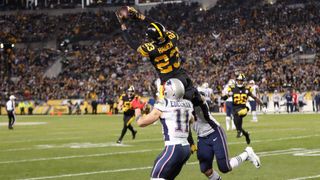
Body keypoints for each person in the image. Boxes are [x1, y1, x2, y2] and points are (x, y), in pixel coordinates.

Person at [115, 6, 218, 131]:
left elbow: (131, 42)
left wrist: (123, 25)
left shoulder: (151, 50)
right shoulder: (172, 37)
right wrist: (140, 17)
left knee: (174, 113)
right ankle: (209, 120)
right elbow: (158, 26)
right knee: (198, 101)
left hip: (169, 83)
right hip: (182, 76)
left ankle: (189, 142)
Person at [132, 78, 193, 180]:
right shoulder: (188, 104)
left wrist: (137, 109)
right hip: (186, 148)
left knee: (156, 177)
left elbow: (141, 122)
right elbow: (191, 120)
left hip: (174, 148)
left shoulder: (164, 103)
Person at [192, 103, 261, 180]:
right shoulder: (179, 103)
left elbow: (203, 115)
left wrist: (189, 109)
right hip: (201, 137)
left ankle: (247, 154)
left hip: (214, 132)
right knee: (206, 170)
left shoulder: (195, 98)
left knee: (225, 167)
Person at [223, 74, 263, 144]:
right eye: (239, 80)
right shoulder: (233, 89)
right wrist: (226, 96)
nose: (240, 82)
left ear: (244, 81)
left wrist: (261, 103)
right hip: (235, 108)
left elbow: (254, 97)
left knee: (238, 115)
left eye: (241, 81)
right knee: (238, 126)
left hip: (244, 108)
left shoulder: (247, 89)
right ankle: (246, 134)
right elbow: (225, 97)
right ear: (237, 81)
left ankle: (240, 132)